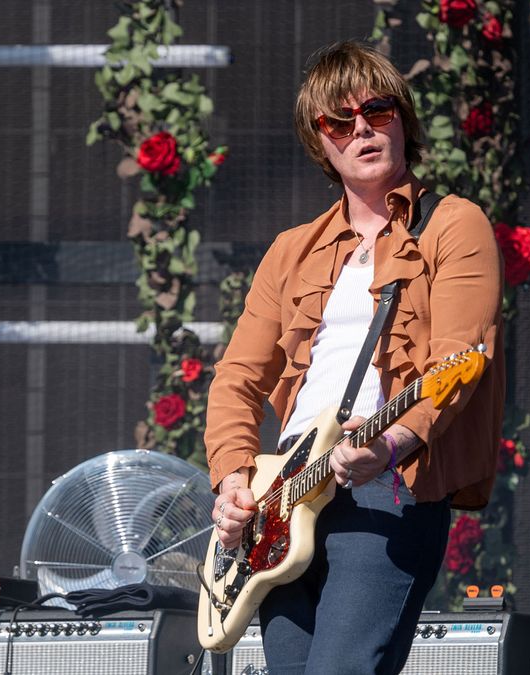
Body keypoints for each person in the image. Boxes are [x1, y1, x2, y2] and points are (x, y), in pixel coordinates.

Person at [204, 40, 504, 675]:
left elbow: (456, 360)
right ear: (322, 143)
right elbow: (236, 379)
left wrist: (391, 446)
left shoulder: (453, 224)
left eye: (378, 110)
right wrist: (234, 480)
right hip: (281, 497)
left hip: (387, 484)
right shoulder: (290, 250)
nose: (362, 128)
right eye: (339, 121)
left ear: (404, 120)